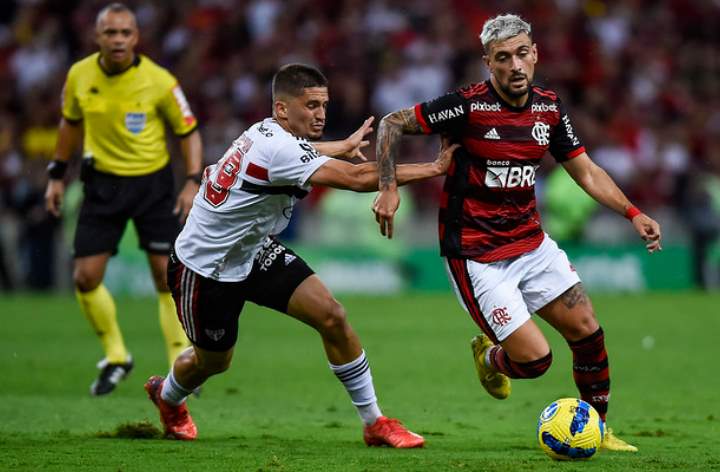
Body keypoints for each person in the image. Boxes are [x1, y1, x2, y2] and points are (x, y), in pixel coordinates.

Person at [372, 14, 662, 452]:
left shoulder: (549, 108)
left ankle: (598, 430)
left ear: (535, 55)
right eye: (503, 57)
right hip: (475, 255)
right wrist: (388, 187)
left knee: (588, 331)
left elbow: (585, 170)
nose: (515, 65)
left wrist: (632, 212)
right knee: (536, 361)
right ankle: (488, 356)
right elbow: (391, 124)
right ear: (489, 63)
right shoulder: (465, 106)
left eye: (522, 54)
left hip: (530, 243)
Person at [144, 63, 458, 446]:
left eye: (324, 105)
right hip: (206, 268)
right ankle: (168, 396)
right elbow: (357, 179)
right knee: (214, 362)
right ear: (282, 109)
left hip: (253, 248)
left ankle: (374, 422)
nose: (321, 113)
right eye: (310, 105)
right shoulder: (278, 149)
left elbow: (296, 152)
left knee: (332, 316)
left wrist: (339, 146)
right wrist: (434, 167)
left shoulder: (265, 131)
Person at [44, 3, 203, 395]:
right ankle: (116, 356)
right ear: (97, 37)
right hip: (101, 185)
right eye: (110, 33)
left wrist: (192, 180)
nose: (118, 40)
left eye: (125, 33)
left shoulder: (159, 80)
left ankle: (179, 361)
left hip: (152, 185)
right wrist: (56, 176)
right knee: (85, 277)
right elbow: (69, 123)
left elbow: (189, 132)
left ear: (136, 37)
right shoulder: (79, 75)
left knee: (165, 278)